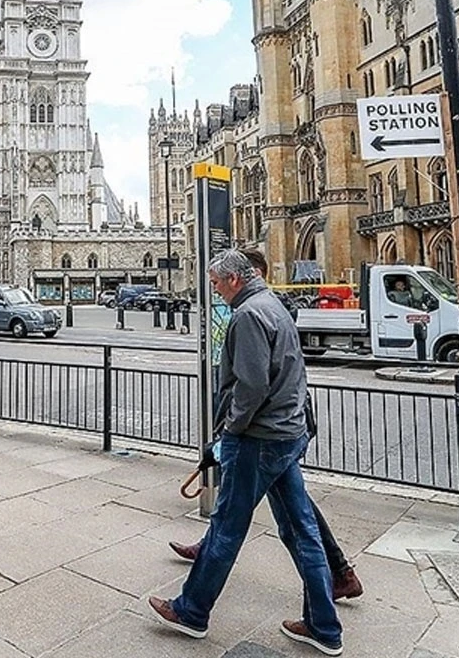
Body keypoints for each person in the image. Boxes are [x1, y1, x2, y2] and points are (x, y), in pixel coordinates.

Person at [149, 250, 343, 655]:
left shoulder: (249, 315)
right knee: (302, 531)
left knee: (226, 528)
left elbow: (251, 386)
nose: (215, 292)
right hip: (285, 435)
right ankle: (324, 626)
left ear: (234, 280)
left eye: (217, 283)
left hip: (258, 439)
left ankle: (191, 611)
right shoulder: (273, 303)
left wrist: (230, 433)